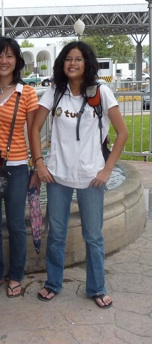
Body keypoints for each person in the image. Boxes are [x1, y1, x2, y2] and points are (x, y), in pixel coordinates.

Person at [31, 41, 128, 308]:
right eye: (68, 59)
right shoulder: (55, 92)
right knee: (57, 234)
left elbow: (123, 133)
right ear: (62, 64)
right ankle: (53, 283)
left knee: (93, 236)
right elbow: (35, 127)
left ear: (87, 63)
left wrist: (107, 170)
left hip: (91, 177)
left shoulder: (101, 92)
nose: (73, 63)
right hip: (58, 176)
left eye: (79, 59)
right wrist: (39, 163)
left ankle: (97, 287)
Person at [0, 37, 39, 298]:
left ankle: (16, 274)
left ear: (17, 60)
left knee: (16, 223)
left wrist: (36, 165)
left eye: (9, 56)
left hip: (16, 167)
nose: (3, 61)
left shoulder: (26, 93)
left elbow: (34, 131)